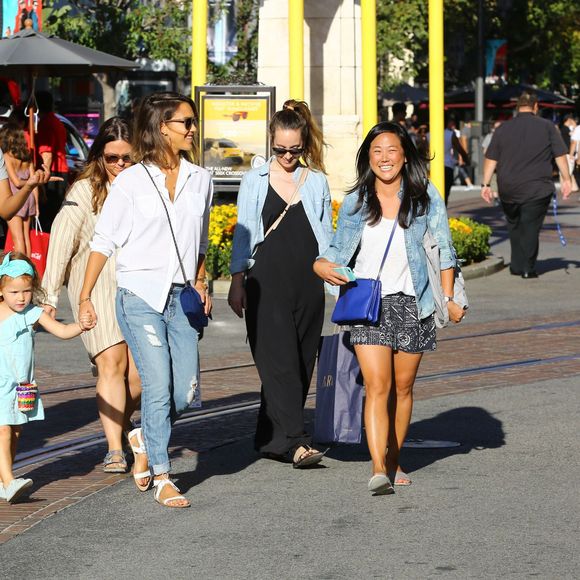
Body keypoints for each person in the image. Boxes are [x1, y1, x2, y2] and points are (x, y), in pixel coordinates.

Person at [314, 122, 464, 495]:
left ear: (404, 155)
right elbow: (337, 249)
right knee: (378, 386)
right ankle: (379, 468)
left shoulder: (424, 195)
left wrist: (448, 298)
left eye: (392, 150)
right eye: (377, 151)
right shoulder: (357, 201)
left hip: (416, 303)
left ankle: (394, 458)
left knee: (403, 387)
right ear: (368, 156)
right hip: (370, 304)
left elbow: (444, 249)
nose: (384, 158)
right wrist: (321, 264)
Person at [79, 92, 213, 509]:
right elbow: (103, 241)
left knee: (185, 390)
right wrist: (85, 296)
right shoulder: (133, 181)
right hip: (139, 295)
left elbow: (201, 240)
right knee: (155, 383)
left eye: (192, 122)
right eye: (184, 122)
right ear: (161, 128)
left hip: (182, 297)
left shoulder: (200, 179)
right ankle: (162, 474)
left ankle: (141, 436)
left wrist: (202, 280)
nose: (192, 129)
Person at [228, 99, 333, 468]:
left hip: (309, 282)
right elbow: (243, 234)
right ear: (270, 143)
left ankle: (269, 438)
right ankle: (297, 442)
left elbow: (327, 234)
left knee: (302, 362)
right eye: (280, 150)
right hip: (265, 282)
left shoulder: (316, 181)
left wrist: (338, 278)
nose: (287, 156)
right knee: (279, 363)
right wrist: (236, 280)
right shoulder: (254, 180)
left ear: (304, 145)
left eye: (295, 150)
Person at [41, 117, 141, 474]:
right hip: (95, 287)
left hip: (139, 288)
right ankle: (114, 447)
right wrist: (49, 297)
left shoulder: (145, 186)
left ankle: (122, 423)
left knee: (138, 378)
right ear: (99, 156)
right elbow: (61, 242)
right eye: (111, 158)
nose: (119, 165)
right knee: (111, 364)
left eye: (126, 158)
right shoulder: (84, 191)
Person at [0, 251, 94, 503]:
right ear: (1, 290)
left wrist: (81, 326)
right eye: (14, 292)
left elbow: (62, 331)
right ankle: (9, 480)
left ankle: (3, 478)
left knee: (16, 430)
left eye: (26, 291)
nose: (21, 297)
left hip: (23, 386)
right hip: (0, 383)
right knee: (4, 430)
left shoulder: (32, 313)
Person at [481, 91, 572, 278]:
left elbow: (491, 158)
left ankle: (516, 264)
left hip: (507, 187)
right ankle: (527, 268)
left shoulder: (502, 129)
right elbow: (560, 155)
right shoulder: (547, 127)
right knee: (530, 226)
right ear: (536, 106)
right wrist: (567, 180)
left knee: (514, 224)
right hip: (536, 187)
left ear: (517, 107)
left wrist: (485, 184)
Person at [0, 123, 38, 255]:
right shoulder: (27, 157)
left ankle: (22, 271)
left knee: (18, 239)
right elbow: (34, 183)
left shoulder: (6, 157)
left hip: (15, 199)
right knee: (27, 237)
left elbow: (15, 182)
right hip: (29, 198)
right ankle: (29, 268)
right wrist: (37, 205)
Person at [35, 91, 69, 232]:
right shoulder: (56, 121)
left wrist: (43, 177)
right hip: (60, 170)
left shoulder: (46, 124)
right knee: (54, 215)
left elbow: (47, 153)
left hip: (52, 173)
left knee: (48, 218)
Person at [443, 115, 469, 206]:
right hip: (447, 166)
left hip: (431, 168)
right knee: (445, 193)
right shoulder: (451, 134)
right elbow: (459, 148)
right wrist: (466, 158)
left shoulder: (429, 134)